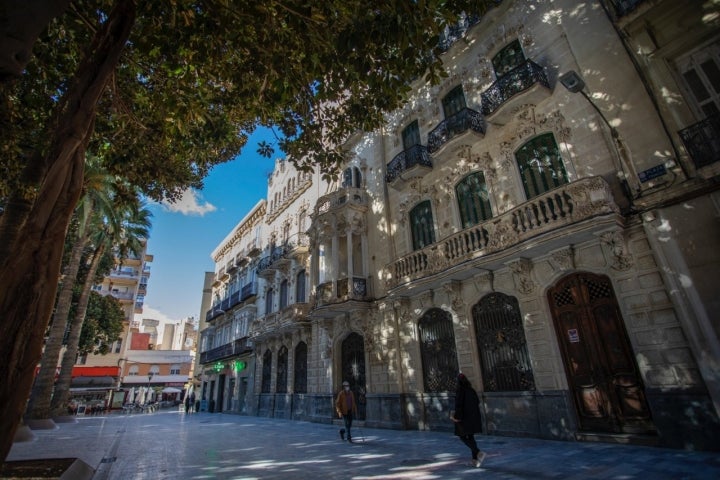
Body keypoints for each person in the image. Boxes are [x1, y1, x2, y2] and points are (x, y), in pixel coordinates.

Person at [450, 373, 486, 468]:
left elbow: (459, 405)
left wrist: (456, 417)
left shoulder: (460, 391)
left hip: (463, 418)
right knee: (471, 437)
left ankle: (478, 452)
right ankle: (475, 461)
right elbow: (477, 402)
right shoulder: (471, 390)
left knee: (461, 436)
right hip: (473, 418)